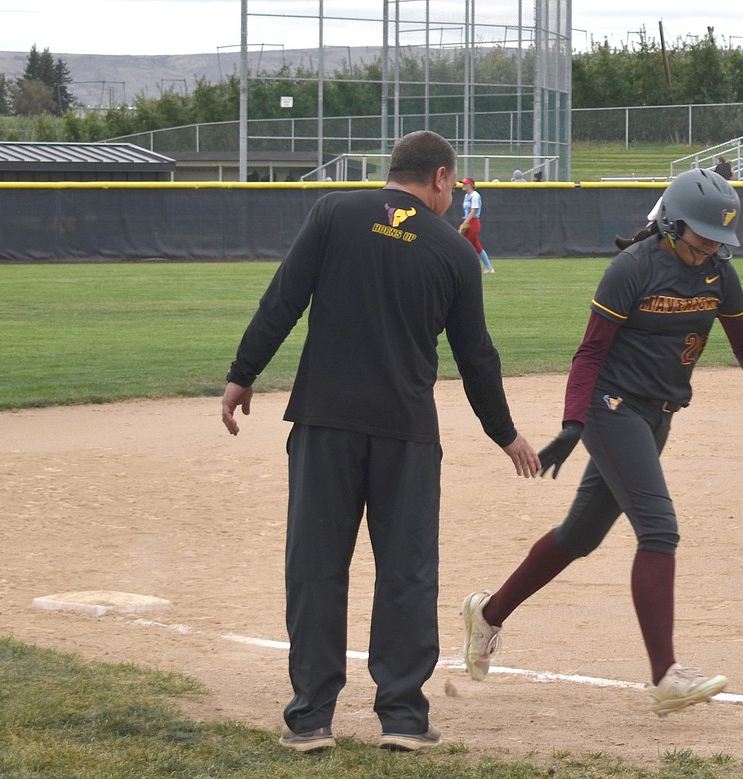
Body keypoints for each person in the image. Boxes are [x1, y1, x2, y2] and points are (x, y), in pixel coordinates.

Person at [220, 130, 540, 754]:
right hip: (407, 433)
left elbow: (282, 299)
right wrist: (505, 433)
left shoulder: (334, 212)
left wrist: (242, 375)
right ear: (442, 179)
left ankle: (311, 718)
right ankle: (402, 717)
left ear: (394, 171)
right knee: (407, 573)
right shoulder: (453, 250)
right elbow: (477, 356)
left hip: (324, 421)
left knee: (316, 568)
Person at [460, 168, 743, 718]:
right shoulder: (632, 269)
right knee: (659, 528)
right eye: (704, 236)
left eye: (720, 240)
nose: (711, 248)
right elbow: (589, 353)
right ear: (674, 224)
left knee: (578, 536)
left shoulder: (718, 275)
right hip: (612, 411)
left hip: (657, 417)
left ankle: (488, 614)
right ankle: (666, 677)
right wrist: (572, 424)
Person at [459, 177, 494, 273]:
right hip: (468, 221)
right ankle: (489, 268)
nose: (463, 185)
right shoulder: (467, 196)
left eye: (465, 184)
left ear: (471, 185)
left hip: (473, 223)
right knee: (477, 246)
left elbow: (473, 211)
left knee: (465, 246)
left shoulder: (475, 195)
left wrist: (465, 222)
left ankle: (465, 268)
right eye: (463, 183)